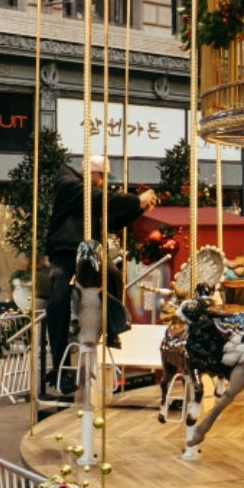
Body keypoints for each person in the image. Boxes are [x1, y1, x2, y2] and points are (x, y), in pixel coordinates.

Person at [42, 159, 154, 398]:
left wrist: (139, 209)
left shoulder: (93, 196)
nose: (102, 181)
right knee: (59, 291)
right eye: (100, 175)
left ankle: (112, 325)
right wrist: (135, 200)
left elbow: (111, 221)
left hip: (91, 249)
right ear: (89, 171)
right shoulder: (67, 181)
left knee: (113, 275)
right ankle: (60, 365)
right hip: (65, 249)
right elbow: (93, 197)